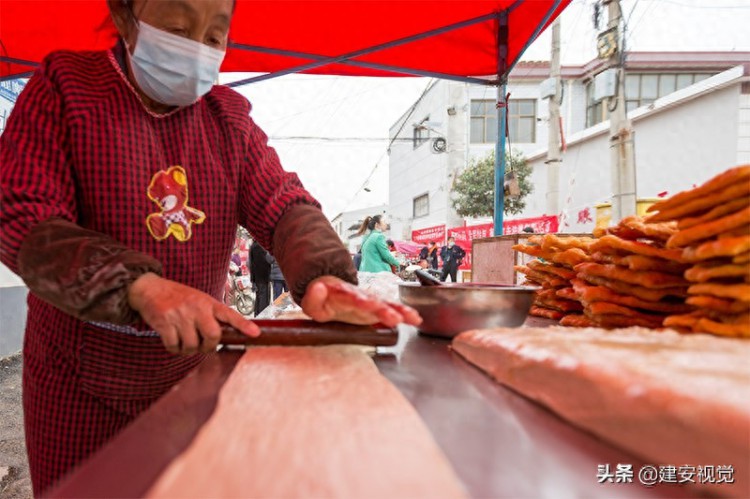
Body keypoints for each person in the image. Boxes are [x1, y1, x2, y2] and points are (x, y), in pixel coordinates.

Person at [0, 0, 421, 494]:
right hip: (77, 381)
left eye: (215, 36)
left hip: (188, 372)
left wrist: (323, 273)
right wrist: (141, 287)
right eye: (178, 26)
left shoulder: (228, 120)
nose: (196, 49)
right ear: (123, 15)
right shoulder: (65, 89)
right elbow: (23, 213)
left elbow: (283, 203)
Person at [249, 240, 271, 316]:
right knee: (263, 298)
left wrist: (252, 279)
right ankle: (262, 316)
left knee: (258, 296)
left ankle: (257, 314)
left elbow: (251, 264)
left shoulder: (253, 246)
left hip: (256, 276)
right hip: (263, 276)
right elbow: (265, 262)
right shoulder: (261, 247)